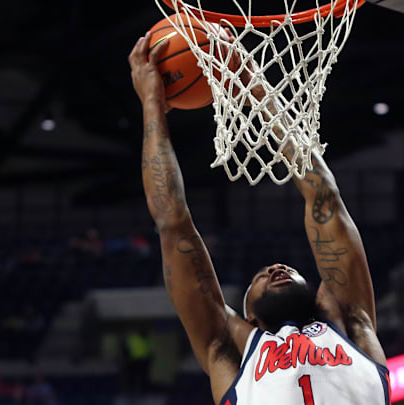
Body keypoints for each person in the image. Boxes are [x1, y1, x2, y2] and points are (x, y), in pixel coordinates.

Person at [129, 29, 390, 405]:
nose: (277, 269)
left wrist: (254, 86)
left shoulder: (352, 325)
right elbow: (172, 225)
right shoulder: (228, 350)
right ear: (248, 314)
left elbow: (324, 197)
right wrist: (151, 104)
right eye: (262, 276)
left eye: (283, 271)